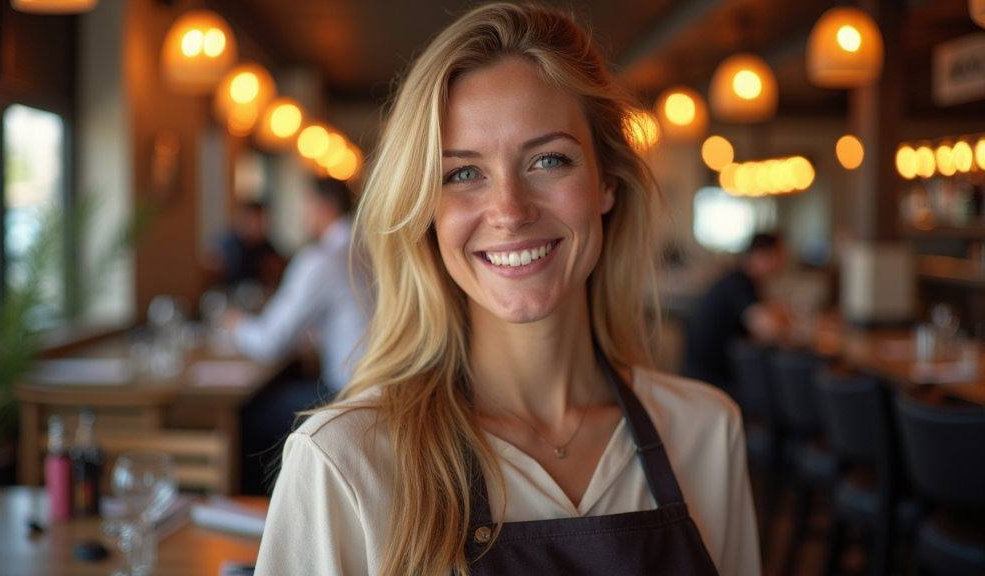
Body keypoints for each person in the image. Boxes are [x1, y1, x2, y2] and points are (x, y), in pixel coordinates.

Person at [256, 4, 760, 575]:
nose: (510, 212)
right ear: (426, 213)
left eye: (549, 160)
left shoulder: (707, 430)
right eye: (463, 173)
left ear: (607, 185)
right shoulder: (343, 462)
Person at [226, 178, 371, 493]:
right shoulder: (368, 246)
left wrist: (236, 323)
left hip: (349, 395)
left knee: (245, 416)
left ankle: (262, 508)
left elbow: (268, 343)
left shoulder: (321, 259)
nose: (303, 215)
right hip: (385, 390)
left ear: (324, 207)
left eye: (305, 206)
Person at [682, 232, 787, 398]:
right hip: (709, 380)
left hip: (708, 373)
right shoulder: (738, 283)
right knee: (777, 389)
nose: (783, 263)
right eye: (780, 255)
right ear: (763, 255)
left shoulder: (739, 280)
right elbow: (767, 330)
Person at [210, 201, 286, 291]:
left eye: (262, 221)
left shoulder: (265, 246)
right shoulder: (227, 244)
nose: (260, 225)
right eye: (256, 220)